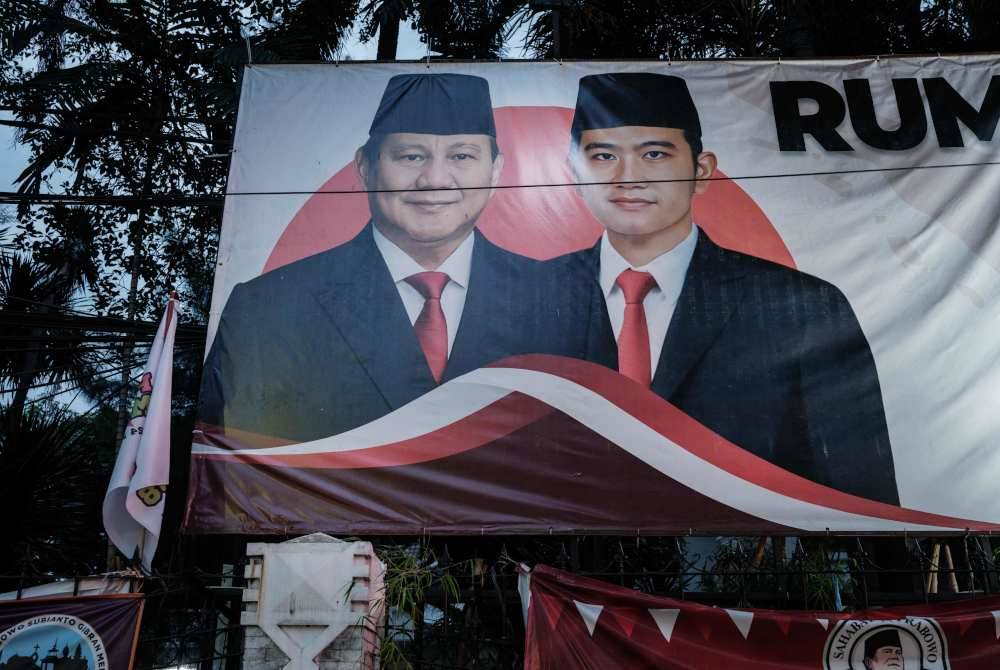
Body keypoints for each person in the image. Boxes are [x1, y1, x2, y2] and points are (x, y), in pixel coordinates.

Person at [198, 73, 606, 443]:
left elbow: (597, 452)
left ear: (495, 170)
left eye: (462, 157)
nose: (434, 180)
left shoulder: (566, 305)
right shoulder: (268, 306)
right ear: (364, 167)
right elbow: (236, 465)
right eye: (411, 156)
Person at [564, 72, 899, 504]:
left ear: (701, 170)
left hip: (746, 563)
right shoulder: (529, 296)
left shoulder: (800, 305)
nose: (629, 178)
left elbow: (861, 490)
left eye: (654, 154)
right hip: (565, 562)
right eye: (604, 155)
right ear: (572, 173)